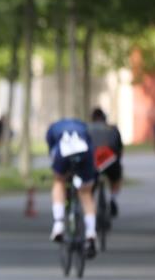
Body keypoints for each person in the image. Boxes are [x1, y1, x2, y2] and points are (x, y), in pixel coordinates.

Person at [45, 117, 98, 258]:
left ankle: (58, 225)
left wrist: (61, 173)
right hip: (85, 152)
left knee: (59, 183)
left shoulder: (53, 128)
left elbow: (52, 152)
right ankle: (91, 233)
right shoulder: (83, 127)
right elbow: (90, 144)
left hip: (64, 151)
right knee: (86, 193)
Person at [87, 108, 124, 217]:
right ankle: (113, 198)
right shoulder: (113, 128)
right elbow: (120, 149)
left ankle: (90, 202)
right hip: (110, 160)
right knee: (116, 178)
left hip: (93, 161)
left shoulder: (87, 128)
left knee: (89, 184)